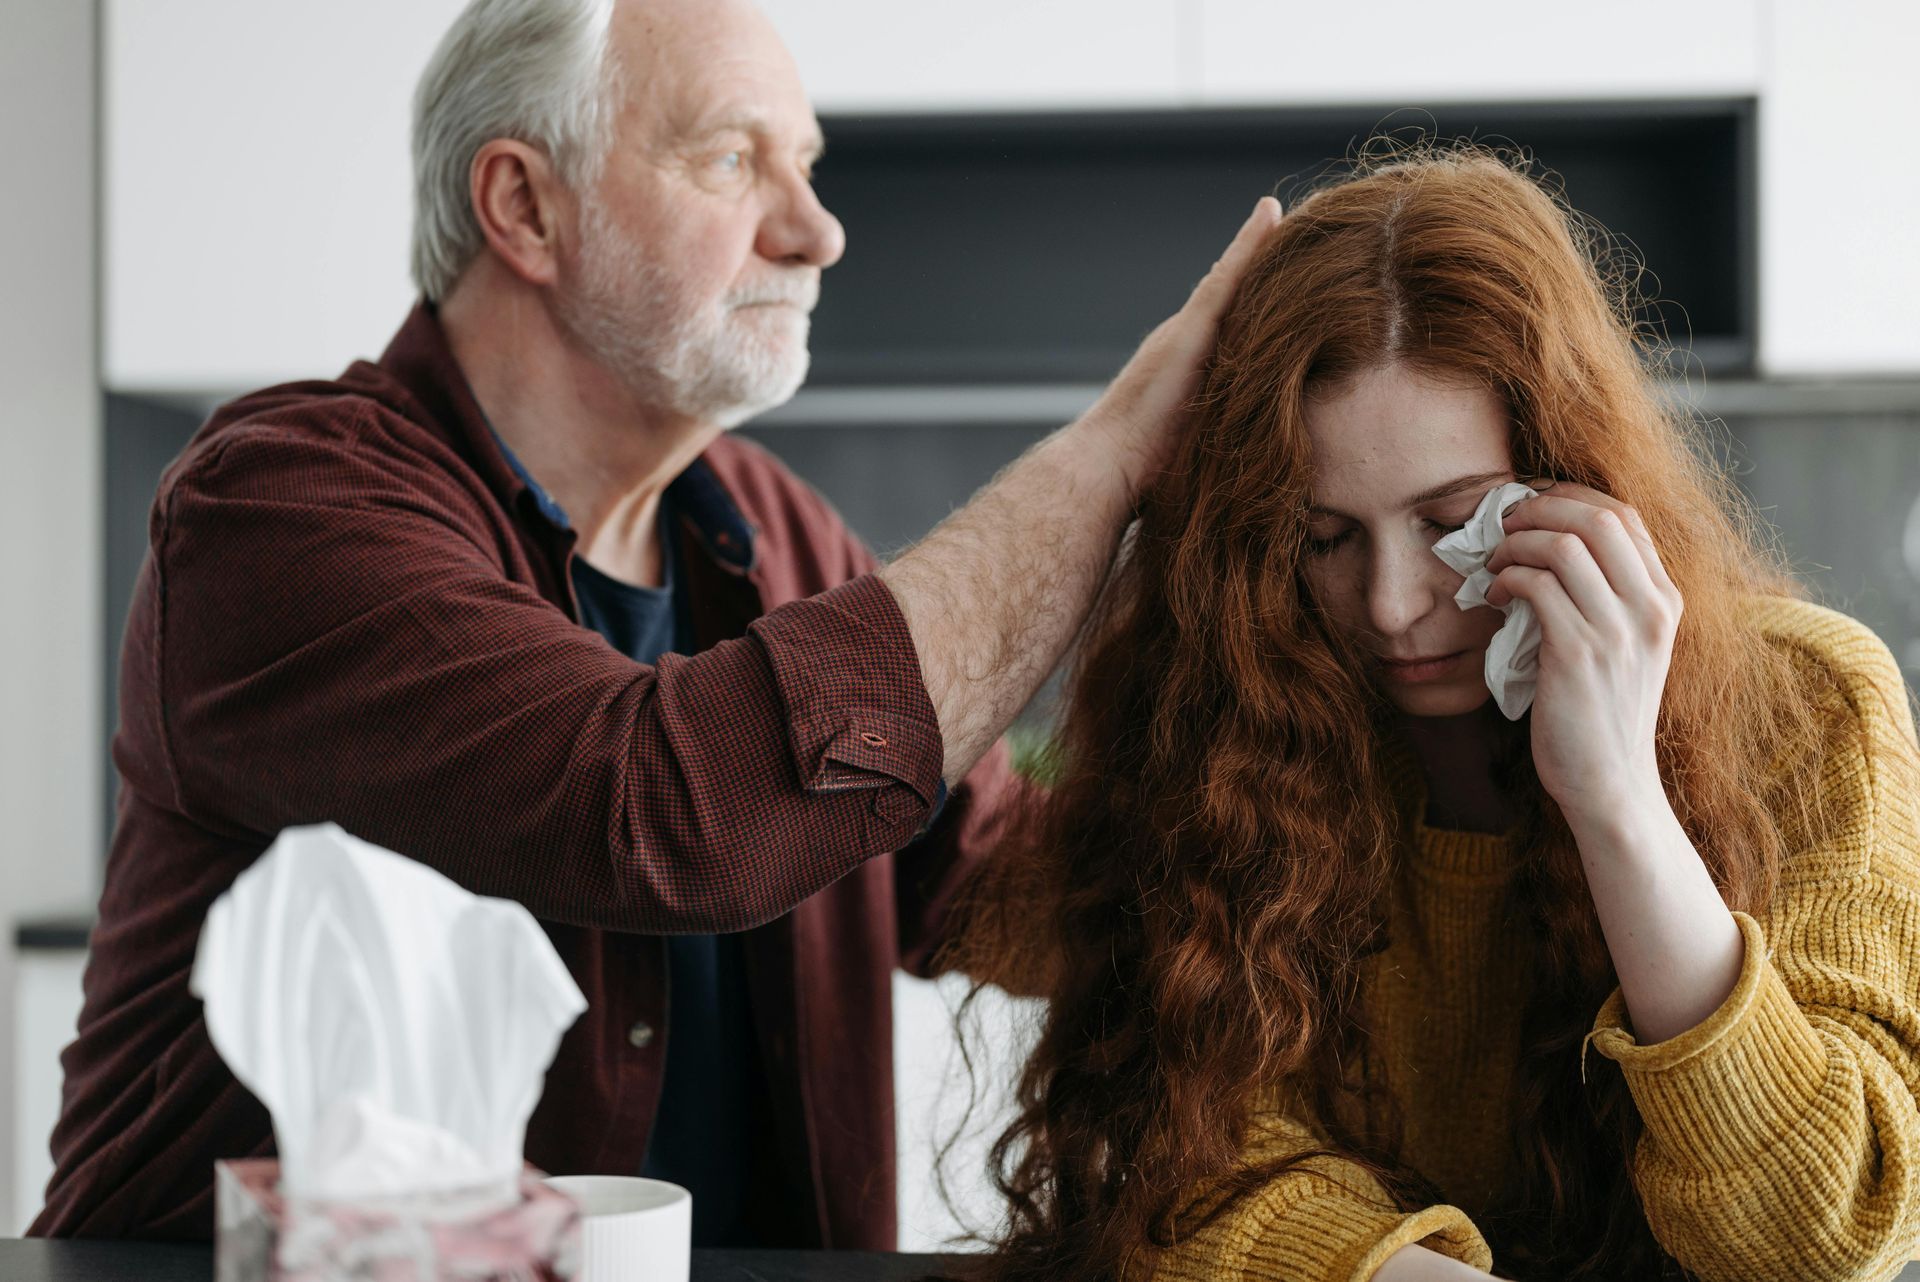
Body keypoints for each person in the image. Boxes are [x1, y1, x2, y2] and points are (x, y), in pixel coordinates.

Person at [29, 0, 1282, 1248]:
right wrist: (1107, 461)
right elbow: (657, 805)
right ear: (524, 206)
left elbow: (998, 885)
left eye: (808, 165)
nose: (818, 230)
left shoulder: (775, 535)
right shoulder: (280, 506)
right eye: (735, 160)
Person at [962, 146, 1920, 1282]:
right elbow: (1186, 1176)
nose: (1391, 604)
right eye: (1324, 536)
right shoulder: (1234, 717)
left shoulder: (1808, 705)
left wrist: (1616, 795)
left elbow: (1812, 1241)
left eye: (1453, 522)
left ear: (1574, 480)